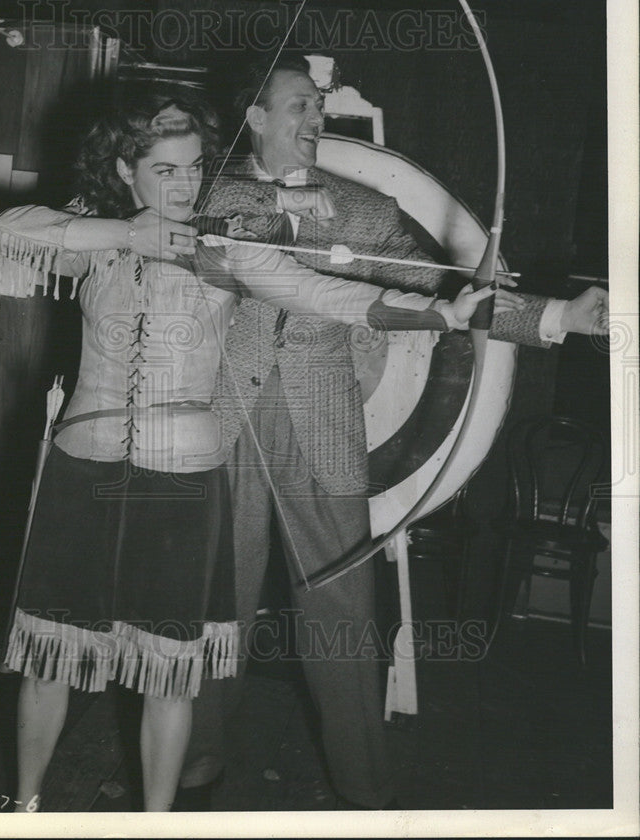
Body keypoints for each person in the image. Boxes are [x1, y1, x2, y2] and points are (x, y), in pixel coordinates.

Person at [0, 87, 506, 812]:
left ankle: (155, 823)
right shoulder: (92, 243)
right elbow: (9, 227)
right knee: (49, 657)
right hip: (83, 467)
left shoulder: (221, 251)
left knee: (169, 671)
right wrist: (126, 235)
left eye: (194, 168)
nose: (184, 184)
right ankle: (22, 811)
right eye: (164, 170)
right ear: (124, 170)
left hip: (181, 478)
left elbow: (326, 294)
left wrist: (443, 313)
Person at [180, 56, 610, 810]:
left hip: (324, 424)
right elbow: (226, 255)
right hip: (225, 416)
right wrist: (283, 219)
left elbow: (448, 292)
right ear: (253, 115)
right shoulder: (211, 191)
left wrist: (553, 317)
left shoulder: (363, 211)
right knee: (215, 596)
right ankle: (195, 761)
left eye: (318, 106)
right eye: (297, 106)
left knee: (343, 611)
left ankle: (365, 789)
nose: (314, 118)